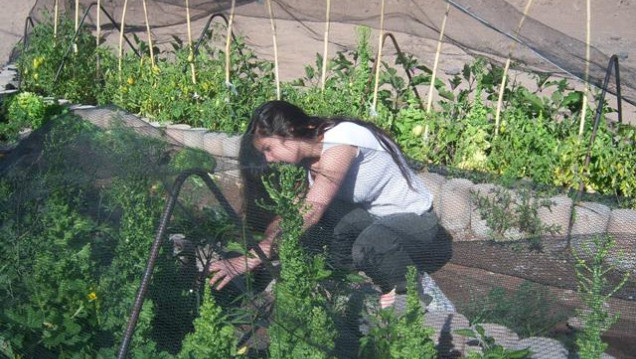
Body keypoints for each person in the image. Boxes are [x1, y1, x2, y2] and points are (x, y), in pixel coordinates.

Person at [208, 100, 452, 310]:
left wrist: (253, 258)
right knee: (334, 225)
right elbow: (292, 213)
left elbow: (311, 211)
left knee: (370, 242)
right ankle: (358, 277)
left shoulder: (341, 139)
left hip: (416, 221)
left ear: (289, 131)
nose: (269, 159)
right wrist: (260, 248)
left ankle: (410, 289)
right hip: (375, 220)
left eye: (269, 148)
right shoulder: (306, 162)